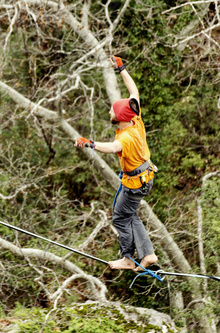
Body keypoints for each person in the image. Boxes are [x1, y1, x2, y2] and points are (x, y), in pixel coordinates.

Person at [74, 56, 158, 271]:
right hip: (144, 177)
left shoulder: (126, 138)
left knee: (120, 218)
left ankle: (129, 258)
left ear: (120, 117)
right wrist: (121, 68)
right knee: (129, 214)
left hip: (135, 184)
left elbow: (112, 148)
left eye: (112, 111)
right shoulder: (134, 119)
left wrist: (89, 143)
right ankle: (147, 255)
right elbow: (134, 92)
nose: (110, 112)